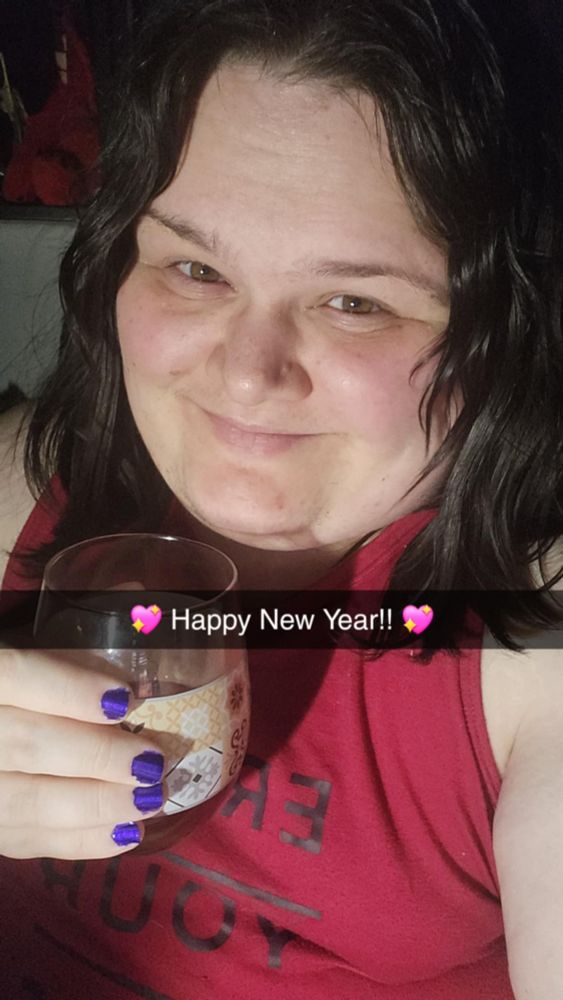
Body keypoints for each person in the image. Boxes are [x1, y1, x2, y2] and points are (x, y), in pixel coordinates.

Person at [0, 0, 562, 996]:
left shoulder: (526, 635)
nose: (248, 373)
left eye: (354, 301)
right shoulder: (20, 491)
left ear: (500, 326)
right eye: (194, 267)